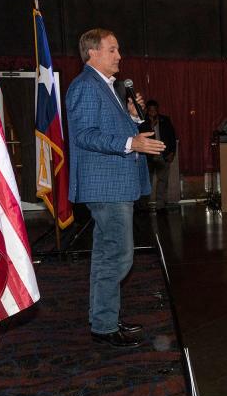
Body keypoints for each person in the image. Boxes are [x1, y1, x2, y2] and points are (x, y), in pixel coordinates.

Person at [66, 28, 164, 347]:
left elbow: (109, 127)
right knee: (119, 257)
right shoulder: (85, 85)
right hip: (106, 187)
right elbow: (84, 135)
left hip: (114, 186)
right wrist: (129, 141)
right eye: (112, 50)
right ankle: (105, 325)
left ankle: (105, 318)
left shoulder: (108, 86)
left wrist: (132, 121)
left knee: (107, 255)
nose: (119, 56)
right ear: (92, 52)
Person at [140, 100, 177, 213]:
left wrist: (172, 152)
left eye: (155, 110)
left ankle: (160, 206)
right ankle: (144, 206)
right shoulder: (142, 121)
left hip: (163, 154)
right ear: (146, 110)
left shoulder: (165, 120)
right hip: (148, 156)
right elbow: (139, 137)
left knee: (163, 181)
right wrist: (150, 126)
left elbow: (172, 136)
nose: (153, 112)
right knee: (147, 182)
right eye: (150, 110)